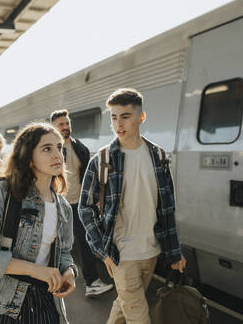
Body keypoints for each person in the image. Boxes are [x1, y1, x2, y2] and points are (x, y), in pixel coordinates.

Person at [78, 88, 187, 324]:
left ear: (141, 117)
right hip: (121, 253)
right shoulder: (102, 160)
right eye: (114, 117)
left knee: (123, 306)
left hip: (151, 249)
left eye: (125, 116)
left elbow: (168, 207)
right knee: (139, 317)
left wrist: (174, 250)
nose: (118, 124)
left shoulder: (158, 155)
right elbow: (85, 207)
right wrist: (102, 250)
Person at [0, 122, 77, 324]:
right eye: (47, 149)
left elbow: (65, 252)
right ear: (28, 156)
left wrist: (69, 271)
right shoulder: (4, 193)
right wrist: (34, 269)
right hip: (4, 307)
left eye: (59, 147)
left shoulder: (63, 207)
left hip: (46, 303)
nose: (57, 155)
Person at [51, 109, 114, 297]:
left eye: (67, 123)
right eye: (61, 124)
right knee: (56, 244)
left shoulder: (80, 147)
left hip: (79, 205)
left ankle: (92, 283)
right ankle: (54, 281)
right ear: (54, 127)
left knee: (85, 243)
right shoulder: (51, 148)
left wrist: (94, 201)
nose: (65, 127)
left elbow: (89, 177)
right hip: (57, 205)